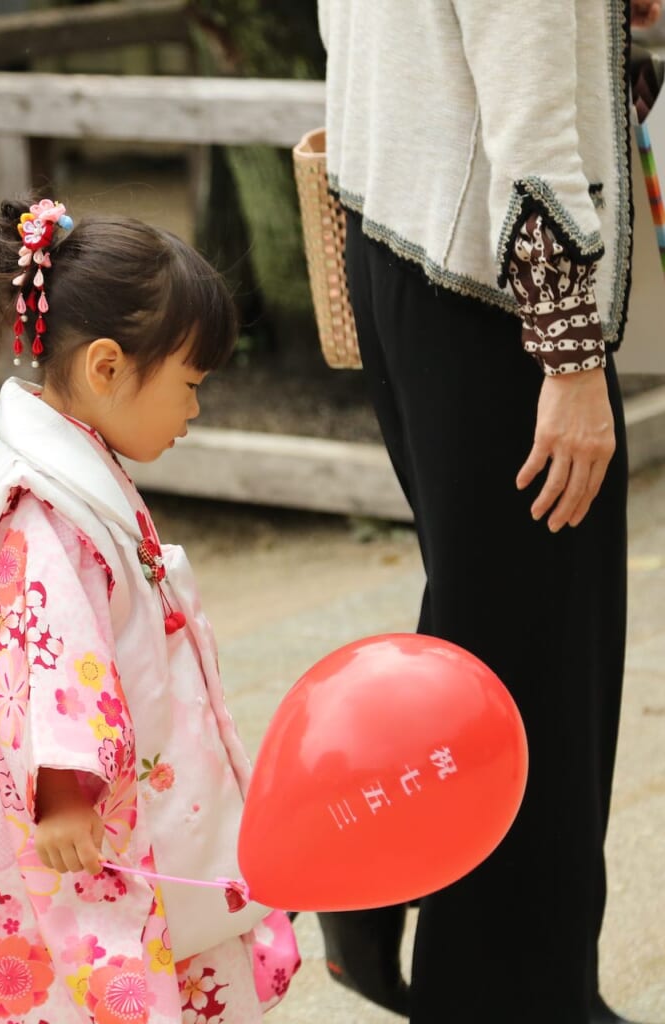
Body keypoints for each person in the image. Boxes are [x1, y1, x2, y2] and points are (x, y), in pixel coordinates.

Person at [316, 2, 662, 1023]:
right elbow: (527, 98)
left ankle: (405, 917)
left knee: (489, 639)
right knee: (536, 678)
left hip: (401, 240)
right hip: (496, 295)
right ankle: (509, 994)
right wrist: (569, 355)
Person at [0, 198, 299, 1024]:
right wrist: (60, 792)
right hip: (80, 821)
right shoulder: (38, 509)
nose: (193, 412)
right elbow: (39, 656)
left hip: (121, 805)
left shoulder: (76, 475)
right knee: (99, 983)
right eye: (189, 385)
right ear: (105, 367)